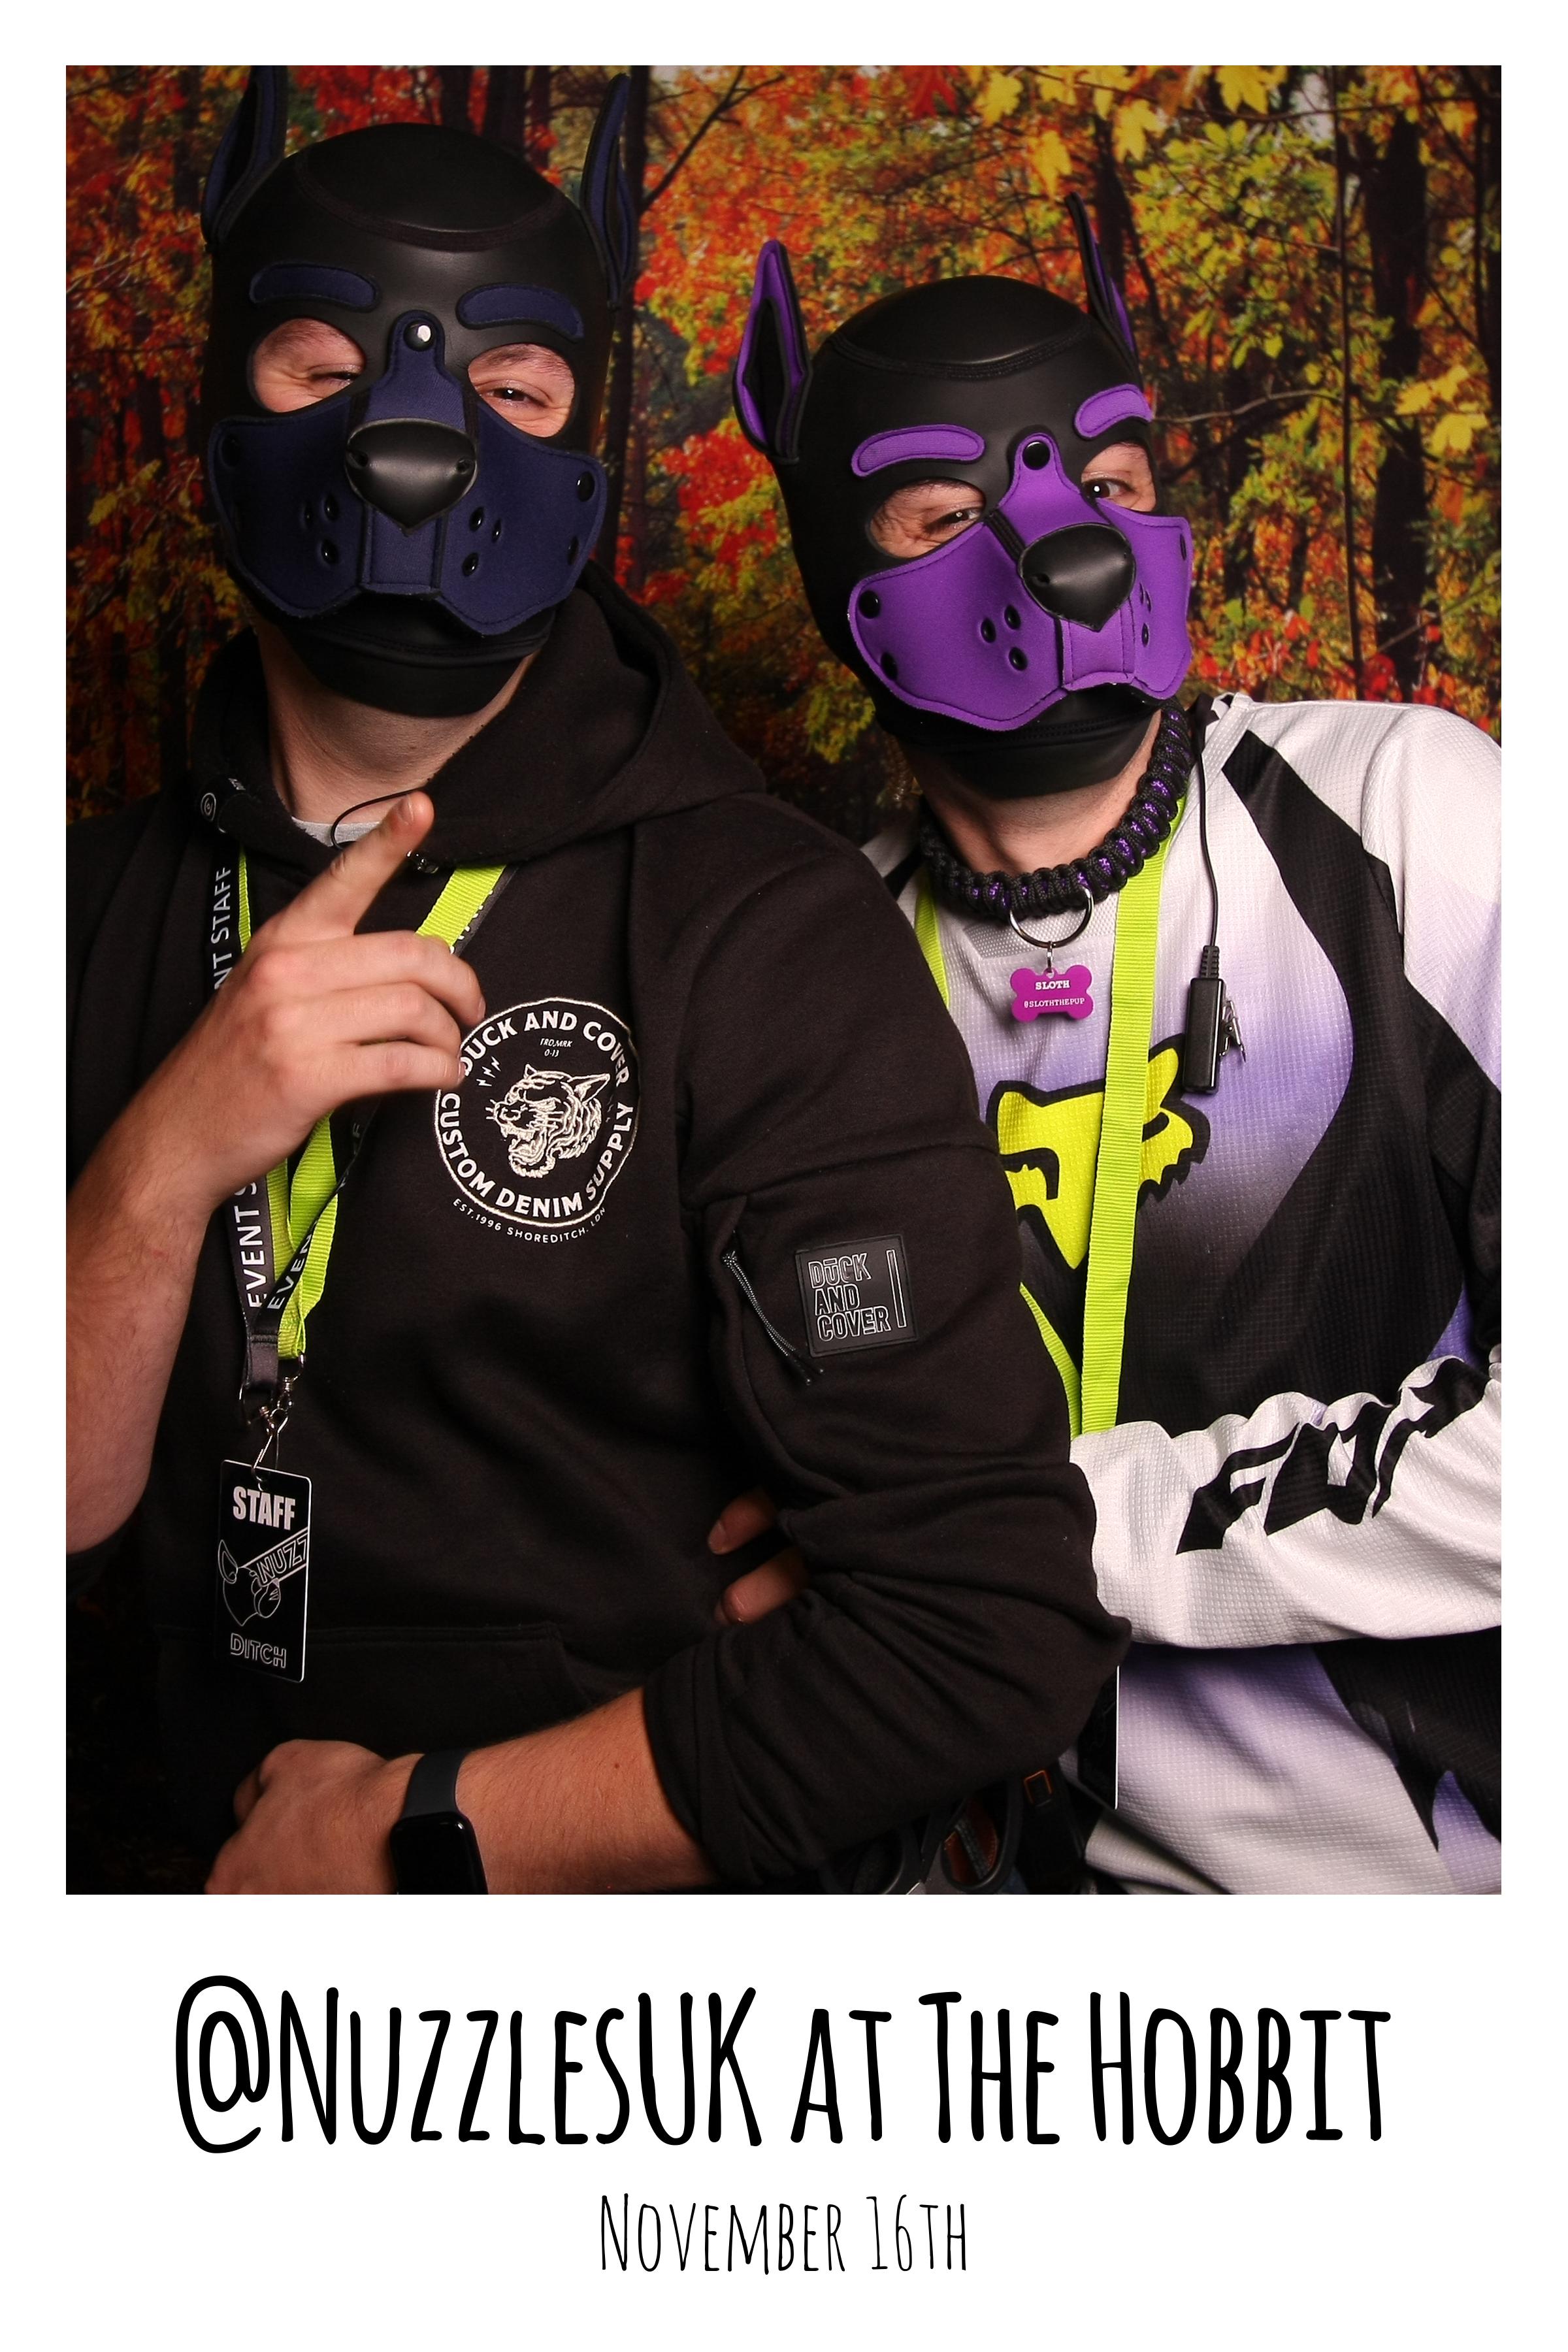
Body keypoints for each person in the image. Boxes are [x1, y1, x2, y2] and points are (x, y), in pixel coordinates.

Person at [66, 74, 1124, 1894]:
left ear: (586, 445)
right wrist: (156, 1174)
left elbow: (978, 1627)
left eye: (512, 386)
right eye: (324, 368)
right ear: (229, 411)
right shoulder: (78, 909)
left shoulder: (763, 929)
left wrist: (418, 1838)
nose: (413, 444)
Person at [720, 212, 1501, 1894]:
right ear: (839, 578)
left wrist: (1040, 1538)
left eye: (1114, 482)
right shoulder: (811, 973)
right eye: (948, 515)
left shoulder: (1408, 822)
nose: (1067, 553)